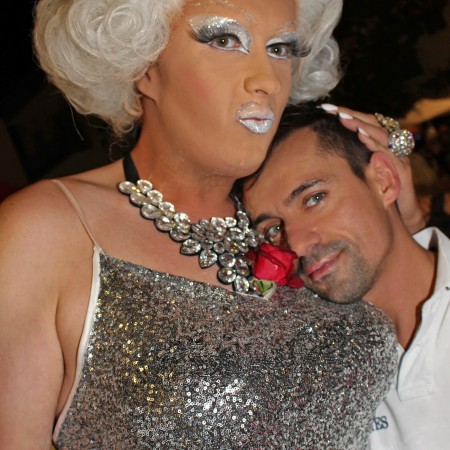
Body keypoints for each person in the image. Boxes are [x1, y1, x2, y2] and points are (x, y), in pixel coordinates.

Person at [0, 0, 410, 448]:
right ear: (144, 66)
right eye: (225, 40)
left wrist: (399, 208)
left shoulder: (294, 219)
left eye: (280, 49)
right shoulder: (48, 230)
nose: (268, 81)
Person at [243, 104, 450, 450]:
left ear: (384, 180)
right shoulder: (302, 364)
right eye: (274, 228)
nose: (297, 244)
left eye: (314, 199)